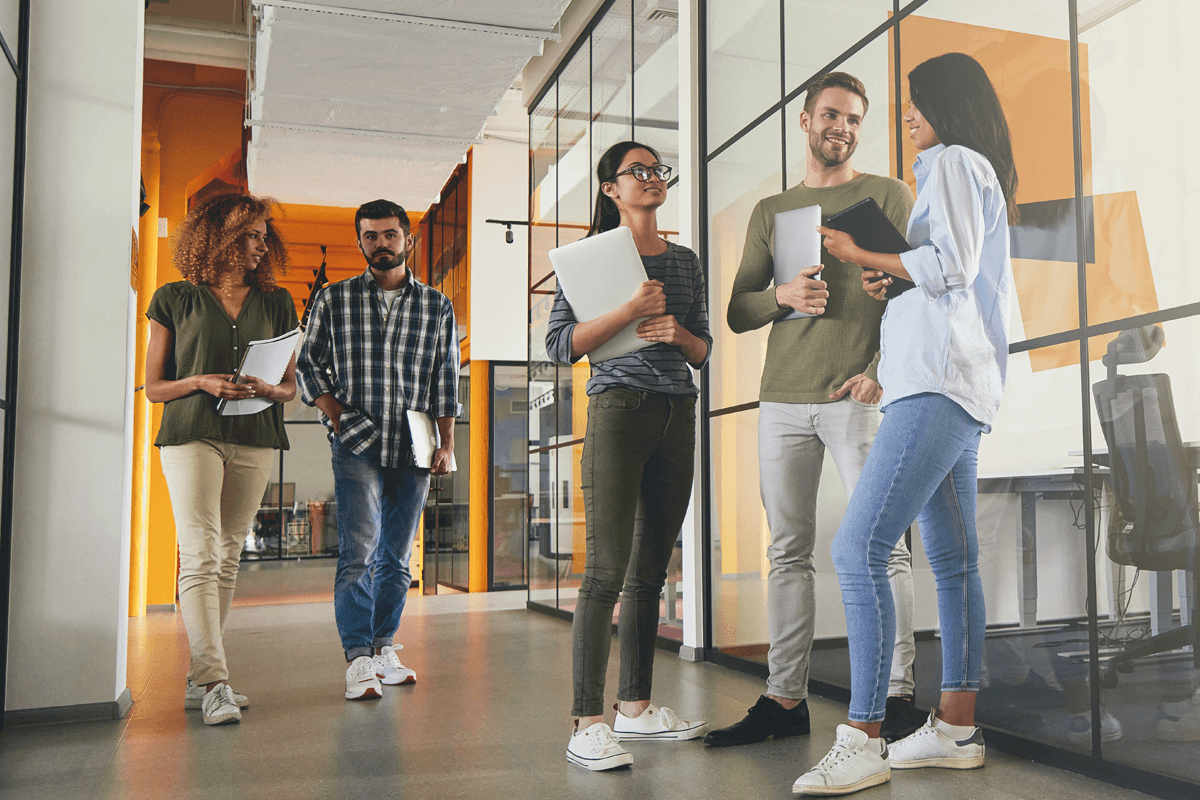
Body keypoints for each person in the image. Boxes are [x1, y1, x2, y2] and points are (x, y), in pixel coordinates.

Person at [794, 52, 1019, 795]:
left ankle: (861, 735)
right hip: (958, 381)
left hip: (938, 386)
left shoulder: (951, 160)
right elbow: (948, 275)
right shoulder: (973, 169)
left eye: (914, 102)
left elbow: (950, 264)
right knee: (953, 562)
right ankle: (955, 726)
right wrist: (894, 271)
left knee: (859, 548)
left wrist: (860, 249)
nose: (907, 115)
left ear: (946, 104)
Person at [709, 72, 920, 749]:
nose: (844, 128)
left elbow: (924, 293)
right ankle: (784, 700)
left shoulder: (888, 194)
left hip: (856, 397)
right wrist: (784, 297)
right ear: (805, 121)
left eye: (855, 118)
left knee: (882, 551)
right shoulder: (774, 210)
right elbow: (739, 311)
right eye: (832, 115)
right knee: (787, 553)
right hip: (782, 400)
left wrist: (880, 374)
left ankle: (896, 697)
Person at [547, 141, 713, 771]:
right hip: (618, 409)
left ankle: (635, 710)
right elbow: (561, 344)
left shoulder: (686, 261)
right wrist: (629, 310)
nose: (651, 179)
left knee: (651, 572)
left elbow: (703, 350)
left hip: (677, 412)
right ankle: (587, 721)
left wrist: (680, 333)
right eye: (636, 171)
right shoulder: (587, 260)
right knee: (606, 571)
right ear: (610, 187)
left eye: (656, 170)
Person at [145, 192, 299, 726]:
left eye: (264, 236)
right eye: (252, 235)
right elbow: (154, 388)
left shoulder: (278, 303)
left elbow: (290, 387)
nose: (261, 245)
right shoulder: (174, 299)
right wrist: (199, 381)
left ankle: (200, 678)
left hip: (256, 433)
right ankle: (215, 682)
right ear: (220, 235)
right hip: (192, 433)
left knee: (229, 553)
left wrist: (270, 387)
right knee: (202, 550)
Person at [297, 199, 459, 701]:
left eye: (390, 235)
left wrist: (446, 444)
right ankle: (358, 658)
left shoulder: (436, 305)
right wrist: (338, 415)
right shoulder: (334, 299)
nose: (381, 244)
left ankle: (384, 646)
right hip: (357, 445)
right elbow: (308, 367)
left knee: (397, 556)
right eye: (371, 236)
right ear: (360, 241)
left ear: (407, 240)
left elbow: (444, 380)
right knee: (359, 552)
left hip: (415, 443)